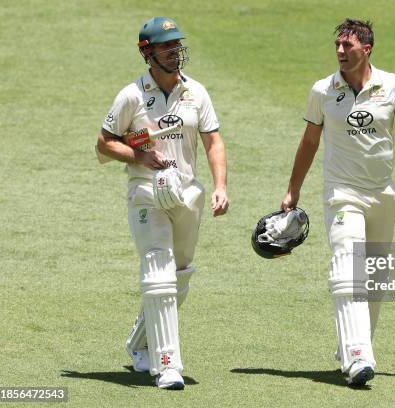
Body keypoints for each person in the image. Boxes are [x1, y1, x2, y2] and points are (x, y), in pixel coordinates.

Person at [280, 18, 395, 386]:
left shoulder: (392, 86)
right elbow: (309, 142)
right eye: (338, 46)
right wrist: (293, 189)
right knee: (348, 265)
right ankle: (359, 354)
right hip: (342, 193)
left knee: (375, 278)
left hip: (383, 195)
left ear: (367, 49)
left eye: (349, 46)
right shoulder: (323, 90)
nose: (341, 52)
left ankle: (352, 350)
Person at [96, 17, 229, 390]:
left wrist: (220, 185)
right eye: (166, 46)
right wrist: (138, 157)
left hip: (186, 192)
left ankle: (139, 343)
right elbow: (104, 144)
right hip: (145, 192)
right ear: (147, 52)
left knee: (179, 274)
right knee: (158, 268)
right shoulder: (132, 96)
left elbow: (214, 142)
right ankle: (167, 364)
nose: (174, 51)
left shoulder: (196, 92)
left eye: (176, 44)